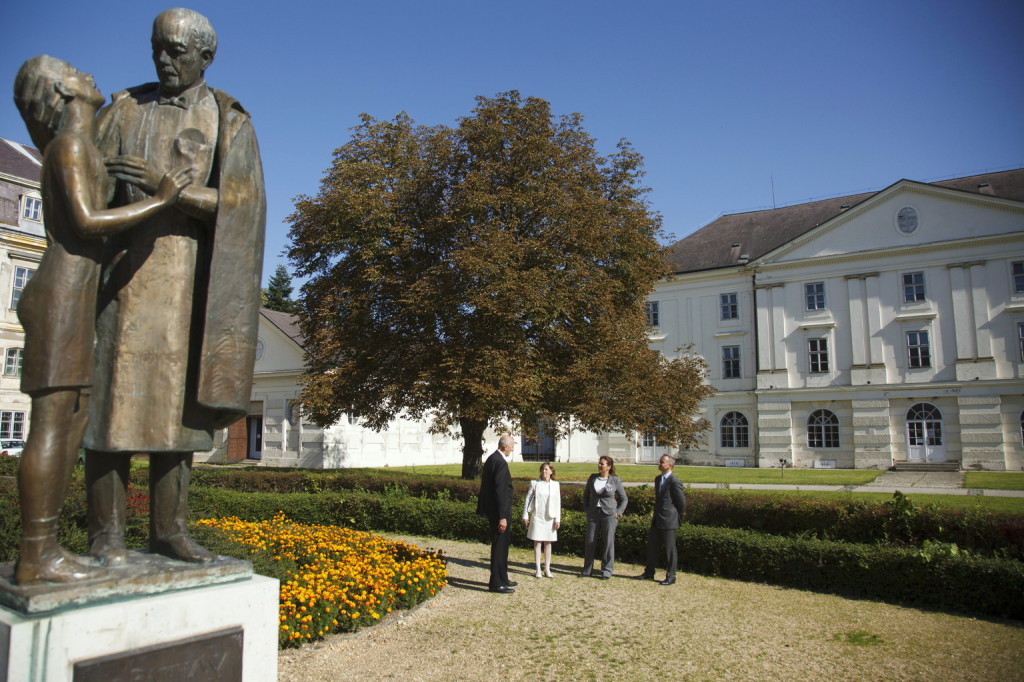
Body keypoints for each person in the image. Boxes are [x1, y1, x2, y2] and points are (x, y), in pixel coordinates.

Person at [84, 8, 265, 565]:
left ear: (206, 58)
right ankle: (105, 536)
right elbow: (80, 184)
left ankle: (170, 531)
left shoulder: (226, 118)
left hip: (188, 283)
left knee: (177, 411)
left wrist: (171, 191)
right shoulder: (122, 109)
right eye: (157, 47)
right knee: (109, 409)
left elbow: (243, 205)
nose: (164, 59)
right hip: (119, 278)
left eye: (177, 51)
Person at [11, 55, 192, 584]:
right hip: (61, 296)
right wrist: (162, 200)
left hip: (76, 297)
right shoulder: (68, 147)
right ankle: (36, 553)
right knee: (52, 426)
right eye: (73, 72)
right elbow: (88, 223)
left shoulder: (82, 148)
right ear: (60, 93)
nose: (87, 75)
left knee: (70, 426)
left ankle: (43, 550)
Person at [638, 454, 686, 585]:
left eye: (662, 462)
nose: (659, 463)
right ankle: (649, 572)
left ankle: (671, 576)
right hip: (657, 519)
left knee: (670, 550)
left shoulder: (674, 482)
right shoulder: (658, 479)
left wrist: (678, 518)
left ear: (669, 465)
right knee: (652, 547)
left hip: (669, 520)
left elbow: (681, 503)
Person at [477, 435, 516, 593]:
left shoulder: (492, 459)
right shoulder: (500, 462)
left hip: (495, 511)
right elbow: (500, 491)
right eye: (512, 446)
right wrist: (503, 517)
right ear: (505, 446)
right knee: (499, 547)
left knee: (503, 546)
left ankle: (503, 577)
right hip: (499, 513)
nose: (512, 449)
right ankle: (496, 583)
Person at [579, 455, 628, 579]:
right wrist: (587, 509)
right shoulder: (592, 478)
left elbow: (624, 498)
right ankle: (587, 569)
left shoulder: (615, 480)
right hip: (593, 513)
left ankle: (606, 570)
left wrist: (618, 512)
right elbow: (586, 495)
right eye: (599, 463)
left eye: (602, 464)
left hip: (609, 514)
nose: (600, 465)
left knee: (608, 542)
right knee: (590, 541)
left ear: (609, 467)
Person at [522, 462, 561, 578]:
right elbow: (528, 499)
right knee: (537, 542)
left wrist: (557, 519)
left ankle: (547, 568)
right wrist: (525, 515)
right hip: (537, 516)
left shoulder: (555, 485)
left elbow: (558, 502)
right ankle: (538, 569)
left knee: (548, 543)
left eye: (546, 469)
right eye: (542, 469)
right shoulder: (535, 483)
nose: (544, 471)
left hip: (550, 518)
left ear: (551, 471)